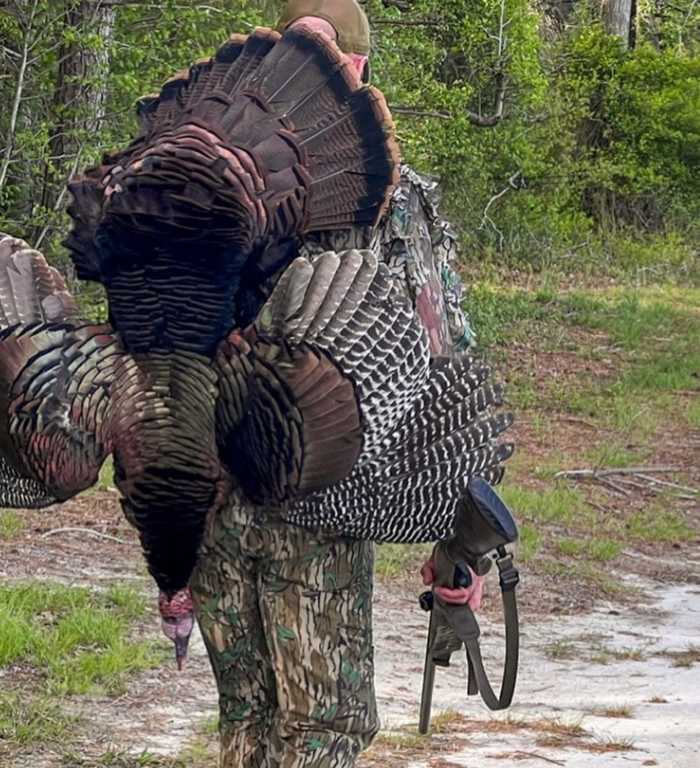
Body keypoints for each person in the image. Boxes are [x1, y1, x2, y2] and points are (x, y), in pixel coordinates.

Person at [188, 2, 489, 766]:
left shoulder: (197, 178)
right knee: (322, 726)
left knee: (249, 719)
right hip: (322, 497)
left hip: (210, 499)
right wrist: (462, 542)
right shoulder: (389, 197)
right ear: (359, 70)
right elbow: (440, 364)